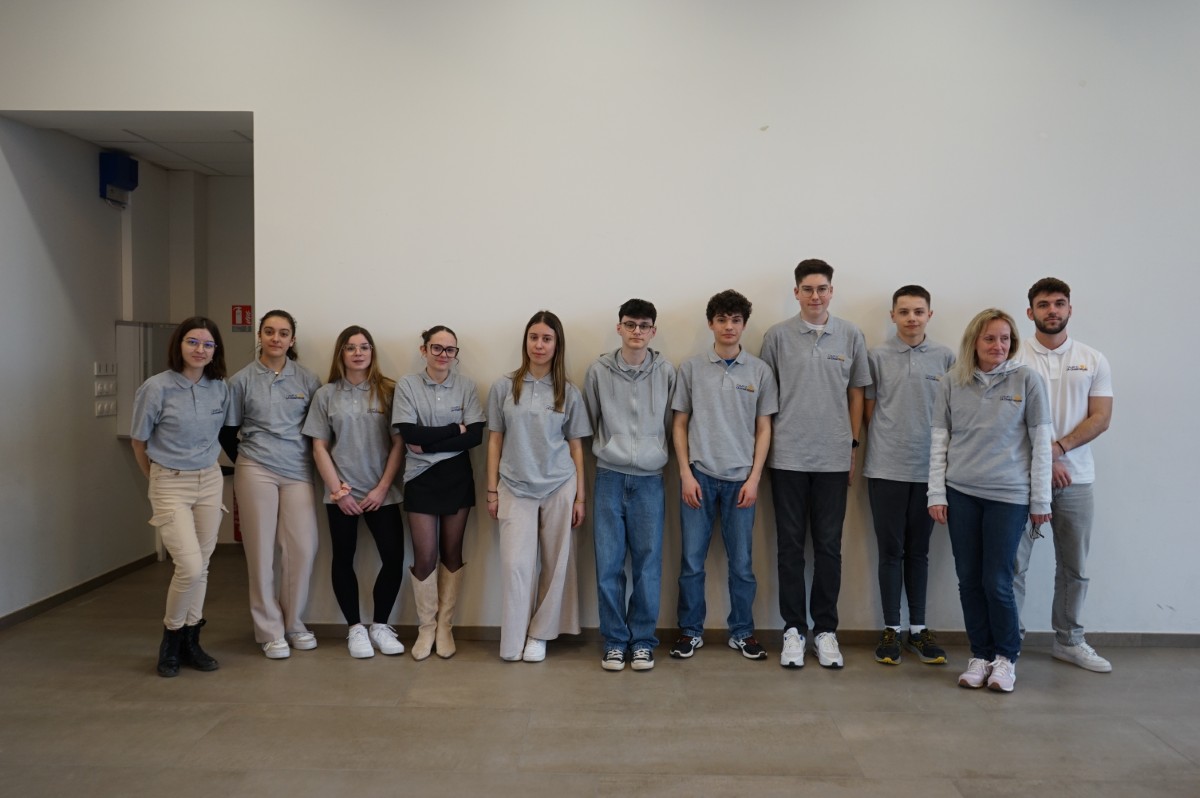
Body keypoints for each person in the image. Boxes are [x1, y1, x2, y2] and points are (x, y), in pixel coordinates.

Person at [928, 308, 1052, 693]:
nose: (998, 345)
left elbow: (1041, 446)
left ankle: (1005, 658)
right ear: (974, 342)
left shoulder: (1028, 381)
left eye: (1005, 339)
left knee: (997, 580)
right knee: (968, 580)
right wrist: (936, 492)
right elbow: (939, 443)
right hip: (961, 494)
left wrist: (1041, 501)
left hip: (1009, 497)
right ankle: (980, 656)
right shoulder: (952, 382)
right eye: (990, 338)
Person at [760, 259, 870, 669]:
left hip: (833, 459)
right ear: (796, 293)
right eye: (807, 289)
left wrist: (852, 445)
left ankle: (825, 631)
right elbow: (765, 400)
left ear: (831, 291)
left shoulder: (851, 335)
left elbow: (857, 393)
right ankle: (793, 629)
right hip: (787, 457)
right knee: (789, 546)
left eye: (822, 288)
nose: (815, 296)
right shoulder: (776, 337)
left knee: (828, 547)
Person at [670, 290, 777, 662]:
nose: (728, 326)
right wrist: (685, 474)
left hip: (741, 481)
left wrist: (754, 478)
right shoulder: (691, 368)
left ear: (744, 324)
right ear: (710, 323)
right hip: (698, 477)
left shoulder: (760, 371)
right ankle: (690, 631)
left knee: (742, 565)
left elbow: (764, 428)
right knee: (691, 563)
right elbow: (679, 424)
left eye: (735, 320)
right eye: (721, 319)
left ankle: (743, 632)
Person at [1013, 278, 1114, 672]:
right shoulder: (1014, 355)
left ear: (1070, 309)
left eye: (1059, 303)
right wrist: (1043, 459)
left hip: (1077, 479)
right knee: (1012, 565)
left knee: (1075, 567)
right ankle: (1009, 641)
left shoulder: (1093, 359)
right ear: (1030, 312)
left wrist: (1058, 449)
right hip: (1020, 478)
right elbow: (1004, 417)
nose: (1051, 310)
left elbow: (1101, 417)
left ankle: (1069, 640)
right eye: (1043, 304)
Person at [486, 311, 591, 662]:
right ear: (526, 341)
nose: (539, 345)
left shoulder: (568, 391)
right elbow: (495, 441)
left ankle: (539, 634)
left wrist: (580, 498)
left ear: (557, 344)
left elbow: (576, 446)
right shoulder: (504, 387)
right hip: (514, 485)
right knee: (515, 566)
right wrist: (491, 490)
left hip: (559, 484)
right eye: (534, 337)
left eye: (547, 339)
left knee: (555, 564)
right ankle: (512, 640)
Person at [130, 316, 231, 677]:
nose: (200, 350)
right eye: (193, 342)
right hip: (170, 482)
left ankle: (191, 641)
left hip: (209, 480)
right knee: (188, 565)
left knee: (202, 565)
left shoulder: (219, 388)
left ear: (215, 350)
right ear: (179, 344)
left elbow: (222, 433)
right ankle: (171, 640)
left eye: (208, 344)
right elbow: (139, 442)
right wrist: (158, 480)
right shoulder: (156, 388)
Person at [223, 310, 323, 660]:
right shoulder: (241, 380)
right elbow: (227, 432)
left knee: (302, 548)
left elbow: (318, 431)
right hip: (256, 469)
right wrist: (248, 461)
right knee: (261, 551)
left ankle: (294, 623)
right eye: (269, 332)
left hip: (297, 470)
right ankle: (270, 630)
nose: (276, 338)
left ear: (292, 340)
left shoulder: (308, 380)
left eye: (283, 333)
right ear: (260, 336)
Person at [863, 286, 955, 666]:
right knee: (890, 551)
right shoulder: (876, 357)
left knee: (919, 551)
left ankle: (918, 629)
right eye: (904, 312)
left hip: (930, 471)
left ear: (929, 315)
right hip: (885, 468)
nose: (911, 318)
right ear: (893, 316)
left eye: (919, 311)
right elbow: (869, 410)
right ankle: (891, 629)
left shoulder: (946, 357)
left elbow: (953, 413)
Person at [583, 298, 676, 672]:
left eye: (644, 325)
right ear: (619, 327)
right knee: (608, 565)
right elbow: (590, 419)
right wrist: (610, 448)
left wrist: (655, 452)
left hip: (650, 481)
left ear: (653, 331)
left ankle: (642, 642)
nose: (637, 331)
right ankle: (614, 641)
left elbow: (671, 422)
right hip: (609, 476)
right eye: (630, 324)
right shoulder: (598, 371)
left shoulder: (666, 372)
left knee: (647, 566)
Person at [302, 325, 406, 659]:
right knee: (343, 558)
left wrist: (382, 488)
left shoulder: (388, 392)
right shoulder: (326, 395)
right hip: (341, 495)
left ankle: (380, 626)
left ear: (372, 352)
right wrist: (338, 491)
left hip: (381, 493)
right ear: (341, 354)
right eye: (350, 347)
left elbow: (399, 444)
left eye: (364, 347)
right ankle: (355, 629)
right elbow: (319, 446)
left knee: (394, 558)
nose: (358, 353)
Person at [391, 326, 485, 660]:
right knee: (425, 555)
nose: (444, 355)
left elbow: (475, 436)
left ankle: (445, 626)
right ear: (424, 350)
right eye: (437, 348)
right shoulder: (407, 385)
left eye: (450, 350)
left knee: (452, 552)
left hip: (457, 476)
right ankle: (426, 627)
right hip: (420, 477)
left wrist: (429, 443)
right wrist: (453, 429)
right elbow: (409, 433)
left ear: (456, 354)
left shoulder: (466, 386)